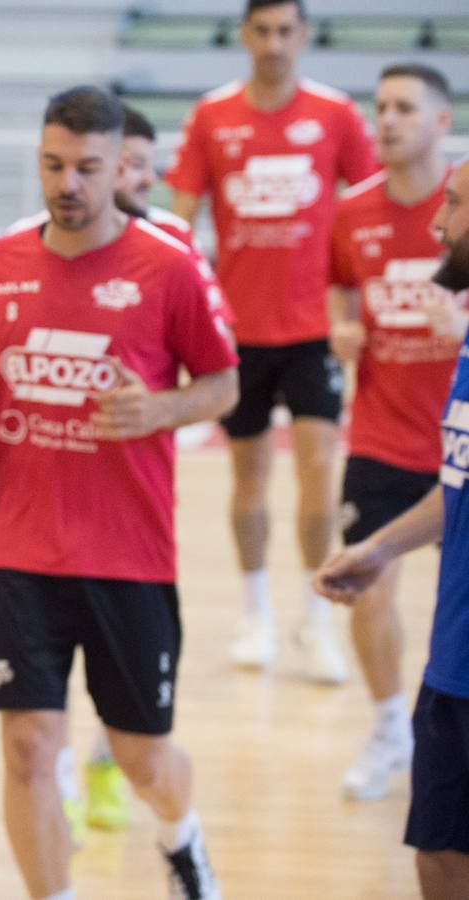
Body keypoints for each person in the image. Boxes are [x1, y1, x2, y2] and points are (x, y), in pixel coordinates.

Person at [0, 85, 238, 900]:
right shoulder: (0, 260)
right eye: (53, 165)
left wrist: (160, 409)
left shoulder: (168, 265)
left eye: (86, 167)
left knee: (141, 756)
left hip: (127, 552)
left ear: (121, 169)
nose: (67, 182)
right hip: (18, 542)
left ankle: (181, 839)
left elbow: (223, 385)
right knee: (29, 747)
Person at [166, 0, 379, 682]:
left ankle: (315, 618)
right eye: (262, 30)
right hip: (239, 332)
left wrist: (359, 307)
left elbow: (371, 203)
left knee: (318, 471)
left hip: (315, 330)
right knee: (248, 476)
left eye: (286, 30)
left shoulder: (336, 114)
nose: (274, 43)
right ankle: (254, 613)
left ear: (304, 35)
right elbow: (179, 222)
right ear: (244, 35)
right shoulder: (212, 115)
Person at [315, 152, 469, 900]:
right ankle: (384, 730)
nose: (438, 222)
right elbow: (461, 484)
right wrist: (379, 548)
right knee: (437, 857)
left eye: (457, 205)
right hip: (452, 657)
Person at [327, 64, 462, 802]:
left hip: (458, 442)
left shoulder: (463, 210)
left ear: (441, 121)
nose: (386, 120)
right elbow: (338, 283)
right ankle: (388, 729)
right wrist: (340, 328)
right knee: (369, 585)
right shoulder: (352, 211)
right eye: (380, 106)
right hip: (380, 437)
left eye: (405, 107)